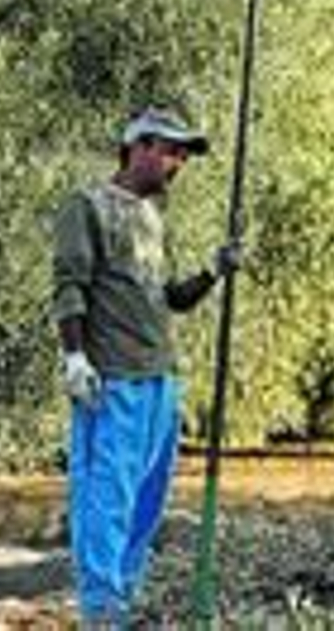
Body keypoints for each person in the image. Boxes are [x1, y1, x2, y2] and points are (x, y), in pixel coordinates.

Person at [51, 106, 240, 626]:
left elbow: (171, 298)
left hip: (161, 382)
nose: (178, 162)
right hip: (112, 382)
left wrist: (214, 270)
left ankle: (124, 605)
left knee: (147, 505)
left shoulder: (153, 218)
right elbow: (69, 287)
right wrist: (74, 358)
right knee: (105, 501)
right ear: (139, 146)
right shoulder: (85, 206)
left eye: (184, 154)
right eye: (172, 150)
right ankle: (101, 612)